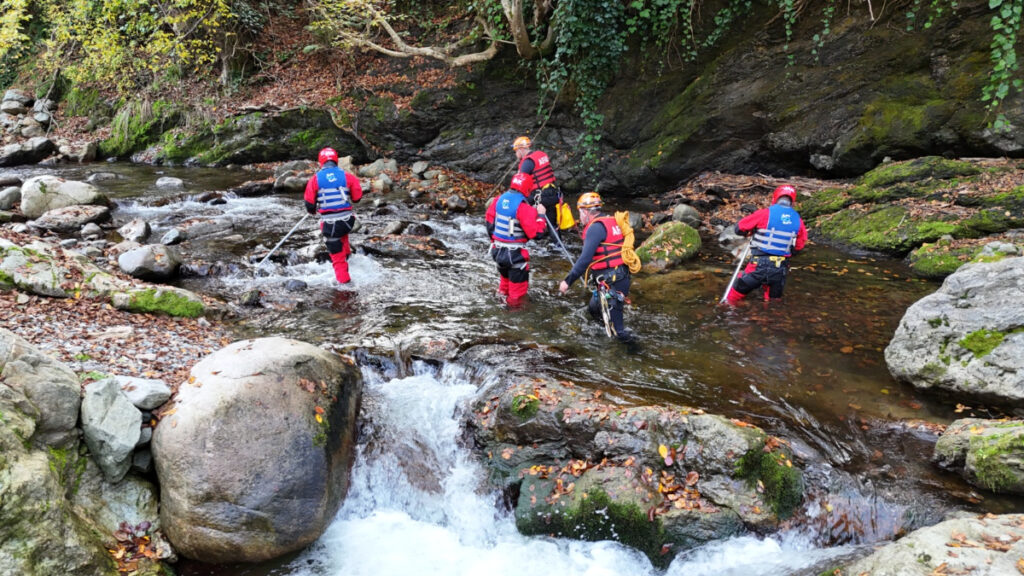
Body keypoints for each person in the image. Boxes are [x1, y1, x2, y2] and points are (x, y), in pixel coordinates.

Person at [558, 192, 634, 342]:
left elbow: (585, 259)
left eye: (580, 212)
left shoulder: (595, 228)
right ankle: (601, 339)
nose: (580, 217)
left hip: (613, 281)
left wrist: (567, 281)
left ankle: (636, 354)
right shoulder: (611, 221)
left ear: (586, 211)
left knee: (619, 332)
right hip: (618, 277)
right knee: (594, 309)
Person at [725, 184, 807, 304]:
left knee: (732, 298)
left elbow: (739, 228)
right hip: (780, 269)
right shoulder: (797, 219)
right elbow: (799, 246)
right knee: (773, 304)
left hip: (758, 266)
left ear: (775, 198)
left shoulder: (764, 213)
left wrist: (751, 231)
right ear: (792, 201)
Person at [485, 172, 548, 305]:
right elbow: (537, 234)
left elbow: (490, 224)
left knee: (504, 286)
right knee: (517, 296)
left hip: (497, 252)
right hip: (515, 256)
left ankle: (500, 307)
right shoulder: (524, 208)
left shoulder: (498, 200)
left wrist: (497, 241)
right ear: (528, 189)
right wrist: (541, 216)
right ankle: (513, 317)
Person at [304, 147, 363, 284]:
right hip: (348, 222)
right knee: (341, 233)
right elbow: (357, 197)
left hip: (330, 225)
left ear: (321, 162)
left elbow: (310, 205)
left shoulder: (315, 179)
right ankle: (348, 256)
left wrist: (314, 209)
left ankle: (345, 287)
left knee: (337, 259)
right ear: (336, 160)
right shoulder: (348, 176)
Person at [512, 136, 563, 237]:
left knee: (518, 207)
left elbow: (520, 183)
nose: (516, 154)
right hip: (553, 193)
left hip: (540, 196)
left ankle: (522, 234)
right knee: (552, 223)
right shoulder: (540, 155)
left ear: (521, 149)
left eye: (516, 151)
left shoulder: (527, 162)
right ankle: (557, 244)